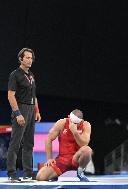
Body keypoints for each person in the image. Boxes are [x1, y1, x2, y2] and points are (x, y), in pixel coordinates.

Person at [7, 48, 41, 182]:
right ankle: (11, 173)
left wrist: (37, 111)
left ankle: (28, 172)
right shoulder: (15, 75)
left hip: (31, 109)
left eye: (31, 58)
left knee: (29, 143)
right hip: (21, 109)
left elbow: (34, 96)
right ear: (20, 59)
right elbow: (10, 95)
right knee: (15, 143)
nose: (30, 60)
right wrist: (17, 113)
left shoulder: (31, 75)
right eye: (27, 57)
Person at [36, 109, 93, 182]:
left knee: (87, 150)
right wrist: (49, 159)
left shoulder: (86, 125)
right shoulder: (61, 123)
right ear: (69, 117)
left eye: (76, 123)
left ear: (81, 121)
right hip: (62, 159)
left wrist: (75, 133)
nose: (74, 124)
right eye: (72, 121)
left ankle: (80, 172)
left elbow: (84, 144)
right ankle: (55, 175)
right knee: (40, 177)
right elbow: (48, 139)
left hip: (76, 159)